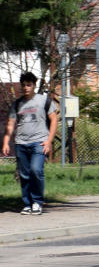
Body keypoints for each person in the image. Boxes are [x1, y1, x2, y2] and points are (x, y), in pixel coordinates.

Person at [3, 72, 59, 215]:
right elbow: (10, 124)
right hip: (21, 143)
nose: (26, 88)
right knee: (25, 175)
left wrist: (49, 141)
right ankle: (27, 204)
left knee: (36, 170)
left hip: (39, 143)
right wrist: (5, 143)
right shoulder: (17, 104)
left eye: (29, 85)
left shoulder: (44, 100)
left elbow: (54, 120)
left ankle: (37, 202)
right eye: (24, 85)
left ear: (34, 85)